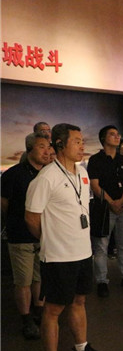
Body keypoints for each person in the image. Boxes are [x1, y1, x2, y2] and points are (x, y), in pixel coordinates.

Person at [25, 123, 109, 351]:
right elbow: (31, 218)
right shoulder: (46, 177)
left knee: (79, 300)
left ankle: (81, 348)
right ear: (60, 144)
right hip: (58, 256)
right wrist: (50, 239)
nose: (82, 146)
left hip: (82, 252)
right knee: (53, 309)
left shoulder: (82, 173)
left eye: (82, 141)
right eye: (77, 141)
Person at [1, 132, 52, 340]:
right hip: (20, 234)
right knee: (23, 280)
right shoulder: (13, 174)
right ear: (29, 149)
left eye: (48, 147)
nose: (46, 151)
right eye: (41, 146)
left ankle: (39, 311)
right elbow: (4, 203)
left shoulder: (48, 174)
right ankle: (26, 320)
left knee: (39, 277)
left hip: (43, 235)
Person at [87, 125, 123, 298]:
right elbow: (95, 185)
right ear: (103, 138)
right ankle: (102, 281)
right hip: (103, 209)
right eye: (112, 134)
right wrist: (111, 202)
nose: (117, 137)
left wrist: (121, 201)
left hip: (122, 208)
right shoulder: (95, 160)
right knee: (101, 247)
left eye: (118, 134)